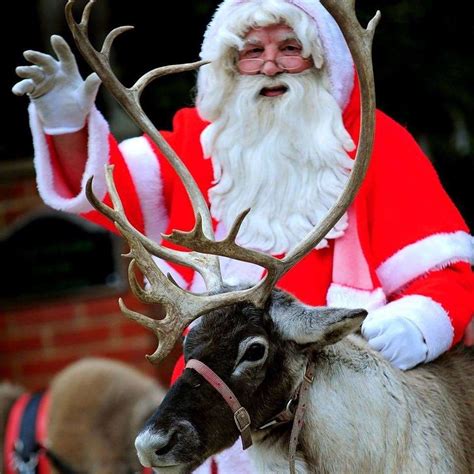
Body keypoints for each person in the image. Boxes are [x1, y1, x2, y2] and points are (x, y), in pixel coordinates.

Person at [13, 0, 474, 472]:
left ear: (320, 59)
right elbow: (109, 193)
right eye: (252, 51)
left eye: (290, 48)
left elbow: (445, 272)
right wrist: (67, 121)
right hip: (221, 408)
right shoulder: (198, 145)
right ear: (229, 65)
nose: (270, 65)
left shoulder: (375, 145)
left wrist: (415, 324)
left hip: (351, 418)